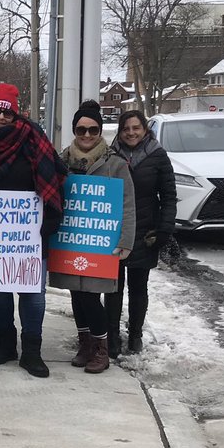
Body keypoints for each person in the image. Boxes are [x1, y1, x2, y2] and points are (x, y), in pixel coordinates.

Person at [0, 84, 67, 378]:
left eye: (7, 113)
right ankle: (6, 343)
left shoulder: (34, 140)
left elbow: (55, 176)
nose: (1, 117)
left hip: (30, 234)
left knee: (33, 294)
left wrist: (51, 220)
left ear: (15, 115)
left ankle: (32, 351)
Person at [49, 99, 136, 374]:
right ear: (74, 131)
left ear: (101, 131)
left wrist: (125, 241)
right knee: (76, 294)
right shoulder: (61, 161)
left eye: (93, 130)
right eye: (81, 130)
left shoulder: (116, 164)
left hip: (101, 244)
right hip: (71, 239)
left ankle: (101, 348)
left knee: (91, 296)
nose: (87, 135)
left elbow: (128, 205)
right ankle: (85, 343)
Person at [106, 110, 177, 357]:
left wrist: (165, 229)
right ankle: (111, 335)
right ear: (120, 131)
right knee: (113, 287)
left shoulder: (158, 156)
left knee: (139, 287)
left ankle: (135, 334)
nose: (131, 133)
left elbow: (168, 196)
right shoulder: (110, 155)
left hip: (146, 229)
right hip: (116, 229)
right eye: (126, 129)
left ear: (145, 129)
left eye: (136, 128)